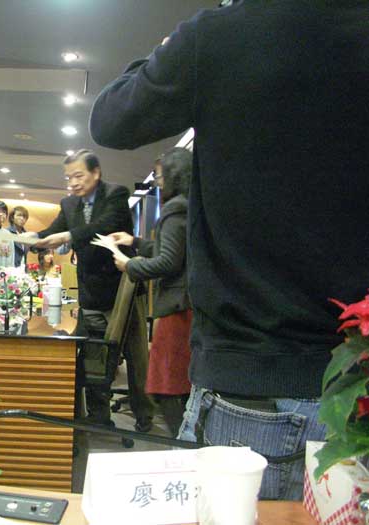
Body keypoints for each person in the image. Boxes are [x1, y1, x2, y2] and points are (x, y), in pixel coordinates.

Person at [89, 1, 369, 500]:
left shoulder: (224, 35)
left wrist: (170, 50)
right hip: (355, 374)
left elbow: (112, 119)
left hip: (254, 382)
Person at [34, 149, 145, 426]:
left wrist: (68, 235)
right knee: (93, 356)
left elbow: (102, 227)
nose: (73, 183)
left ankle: (144, 415)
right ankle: (99, 416)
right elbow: (52, 231)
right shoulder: (69, 203)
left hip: (122, 291)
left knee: (136, 358)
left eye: (78, 176)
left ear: (96, 173)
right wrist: (32, 238)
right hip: (91, 293)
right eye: (68, 177)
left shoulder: (116, 195)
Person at [111, 148, 193, 437]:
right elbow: (169, 251)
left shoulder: (175, 208)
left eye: (159, 176)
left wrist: (129, 265)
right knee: (177, 385)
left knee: (166, 385)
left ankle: (185, 445)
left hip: (178, 309)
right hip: (186, 307)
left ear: (173, 174)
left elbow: (168, 262)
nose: (157, 182)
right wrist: (133, 241)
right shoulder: (190, 206)